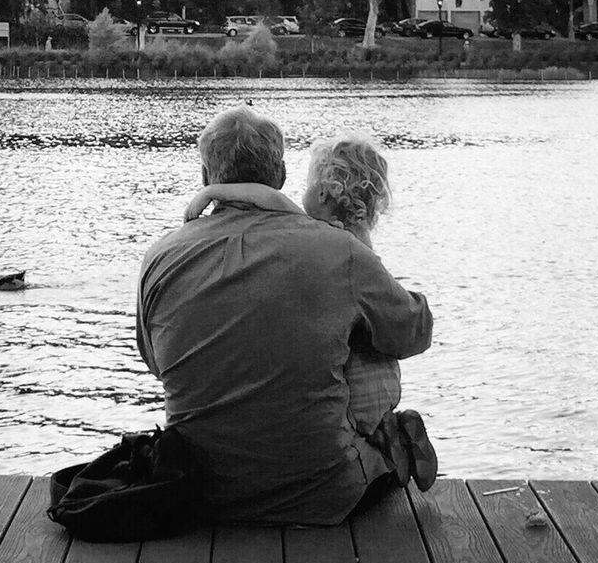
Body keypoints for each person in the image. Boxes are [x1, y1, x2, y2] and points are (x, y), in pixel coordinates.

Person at [137, 106, 434, 526]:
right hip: (324, 495)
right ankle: (387, 436)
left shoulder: (160, 257)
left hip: (201, 492)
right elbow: (413, 333)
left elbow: (156, 363)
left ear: (206, 178)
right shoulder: (337, 250)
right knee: (361, 337)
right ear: (279, 174)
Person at [184, 132, 417, 455]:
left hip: (350, 400)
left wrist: (213, 191)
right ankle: (388, 436)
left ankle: (385, 443)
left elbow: (271, 201)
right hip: (380, 389)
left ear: (322, 192)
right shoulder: (354, 244)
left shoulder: (326, 242)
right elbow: (403, 324)